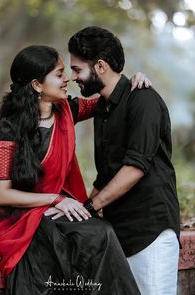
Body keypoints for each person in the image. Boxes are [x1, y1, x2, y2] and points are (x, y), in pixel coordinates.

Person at [0, 45, 148, 294]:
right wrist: (56, 200)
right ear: (38, 85)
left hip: (58, 206)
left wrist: (131, 82)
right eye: (59, 74)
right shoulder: (10, 128)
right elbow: (3, 195)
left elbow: (109, 98)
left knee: (100, 232)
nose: (67, 79)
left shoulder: (66, 111)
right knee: (66, 241)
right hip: (20, 213)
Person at [67, 26, 181, 295]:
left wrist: (91, 207)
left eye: (77, 69)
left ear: (101, 66)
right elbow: (108, 174)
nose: (74, 78)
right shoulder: (103, 108)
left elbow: (134, 167)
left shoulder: (143, 99)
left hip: (149, 233)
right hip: (118, 234)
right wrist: (78, 212)